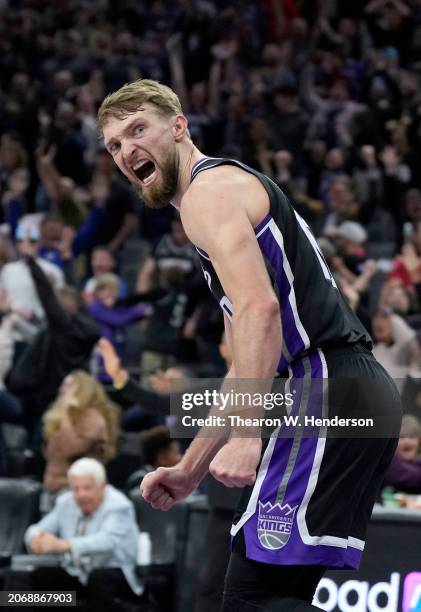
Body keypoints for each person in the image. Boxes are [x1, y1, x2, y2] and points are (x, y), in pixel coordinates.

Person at [97, 79, 402, 612]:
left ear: (178, 126)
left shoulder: (205, 194)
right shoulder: (223, 195)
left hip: (325, 387)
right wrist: (191, 469)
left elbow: (261, 311)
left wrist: (246, 435)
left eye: (137, 129)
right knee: (273, 594)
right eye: (114, 146)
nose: (126, 151)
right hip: (350, 392)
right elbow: (247, 362)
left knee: (251, 599)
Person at [23, 458, 145, 612]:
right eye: (75, 488)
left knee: (98, 577)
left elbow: (106, 541)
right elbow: (37, 529)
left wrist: (64, 545)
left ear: (102, 486)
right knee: (42, 576)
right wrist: (36, 539)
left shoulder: (119, 505)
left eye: (87, 488)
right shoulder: (66, 502)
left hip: (115, 575)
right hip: (80, 574)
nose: (80, 494)